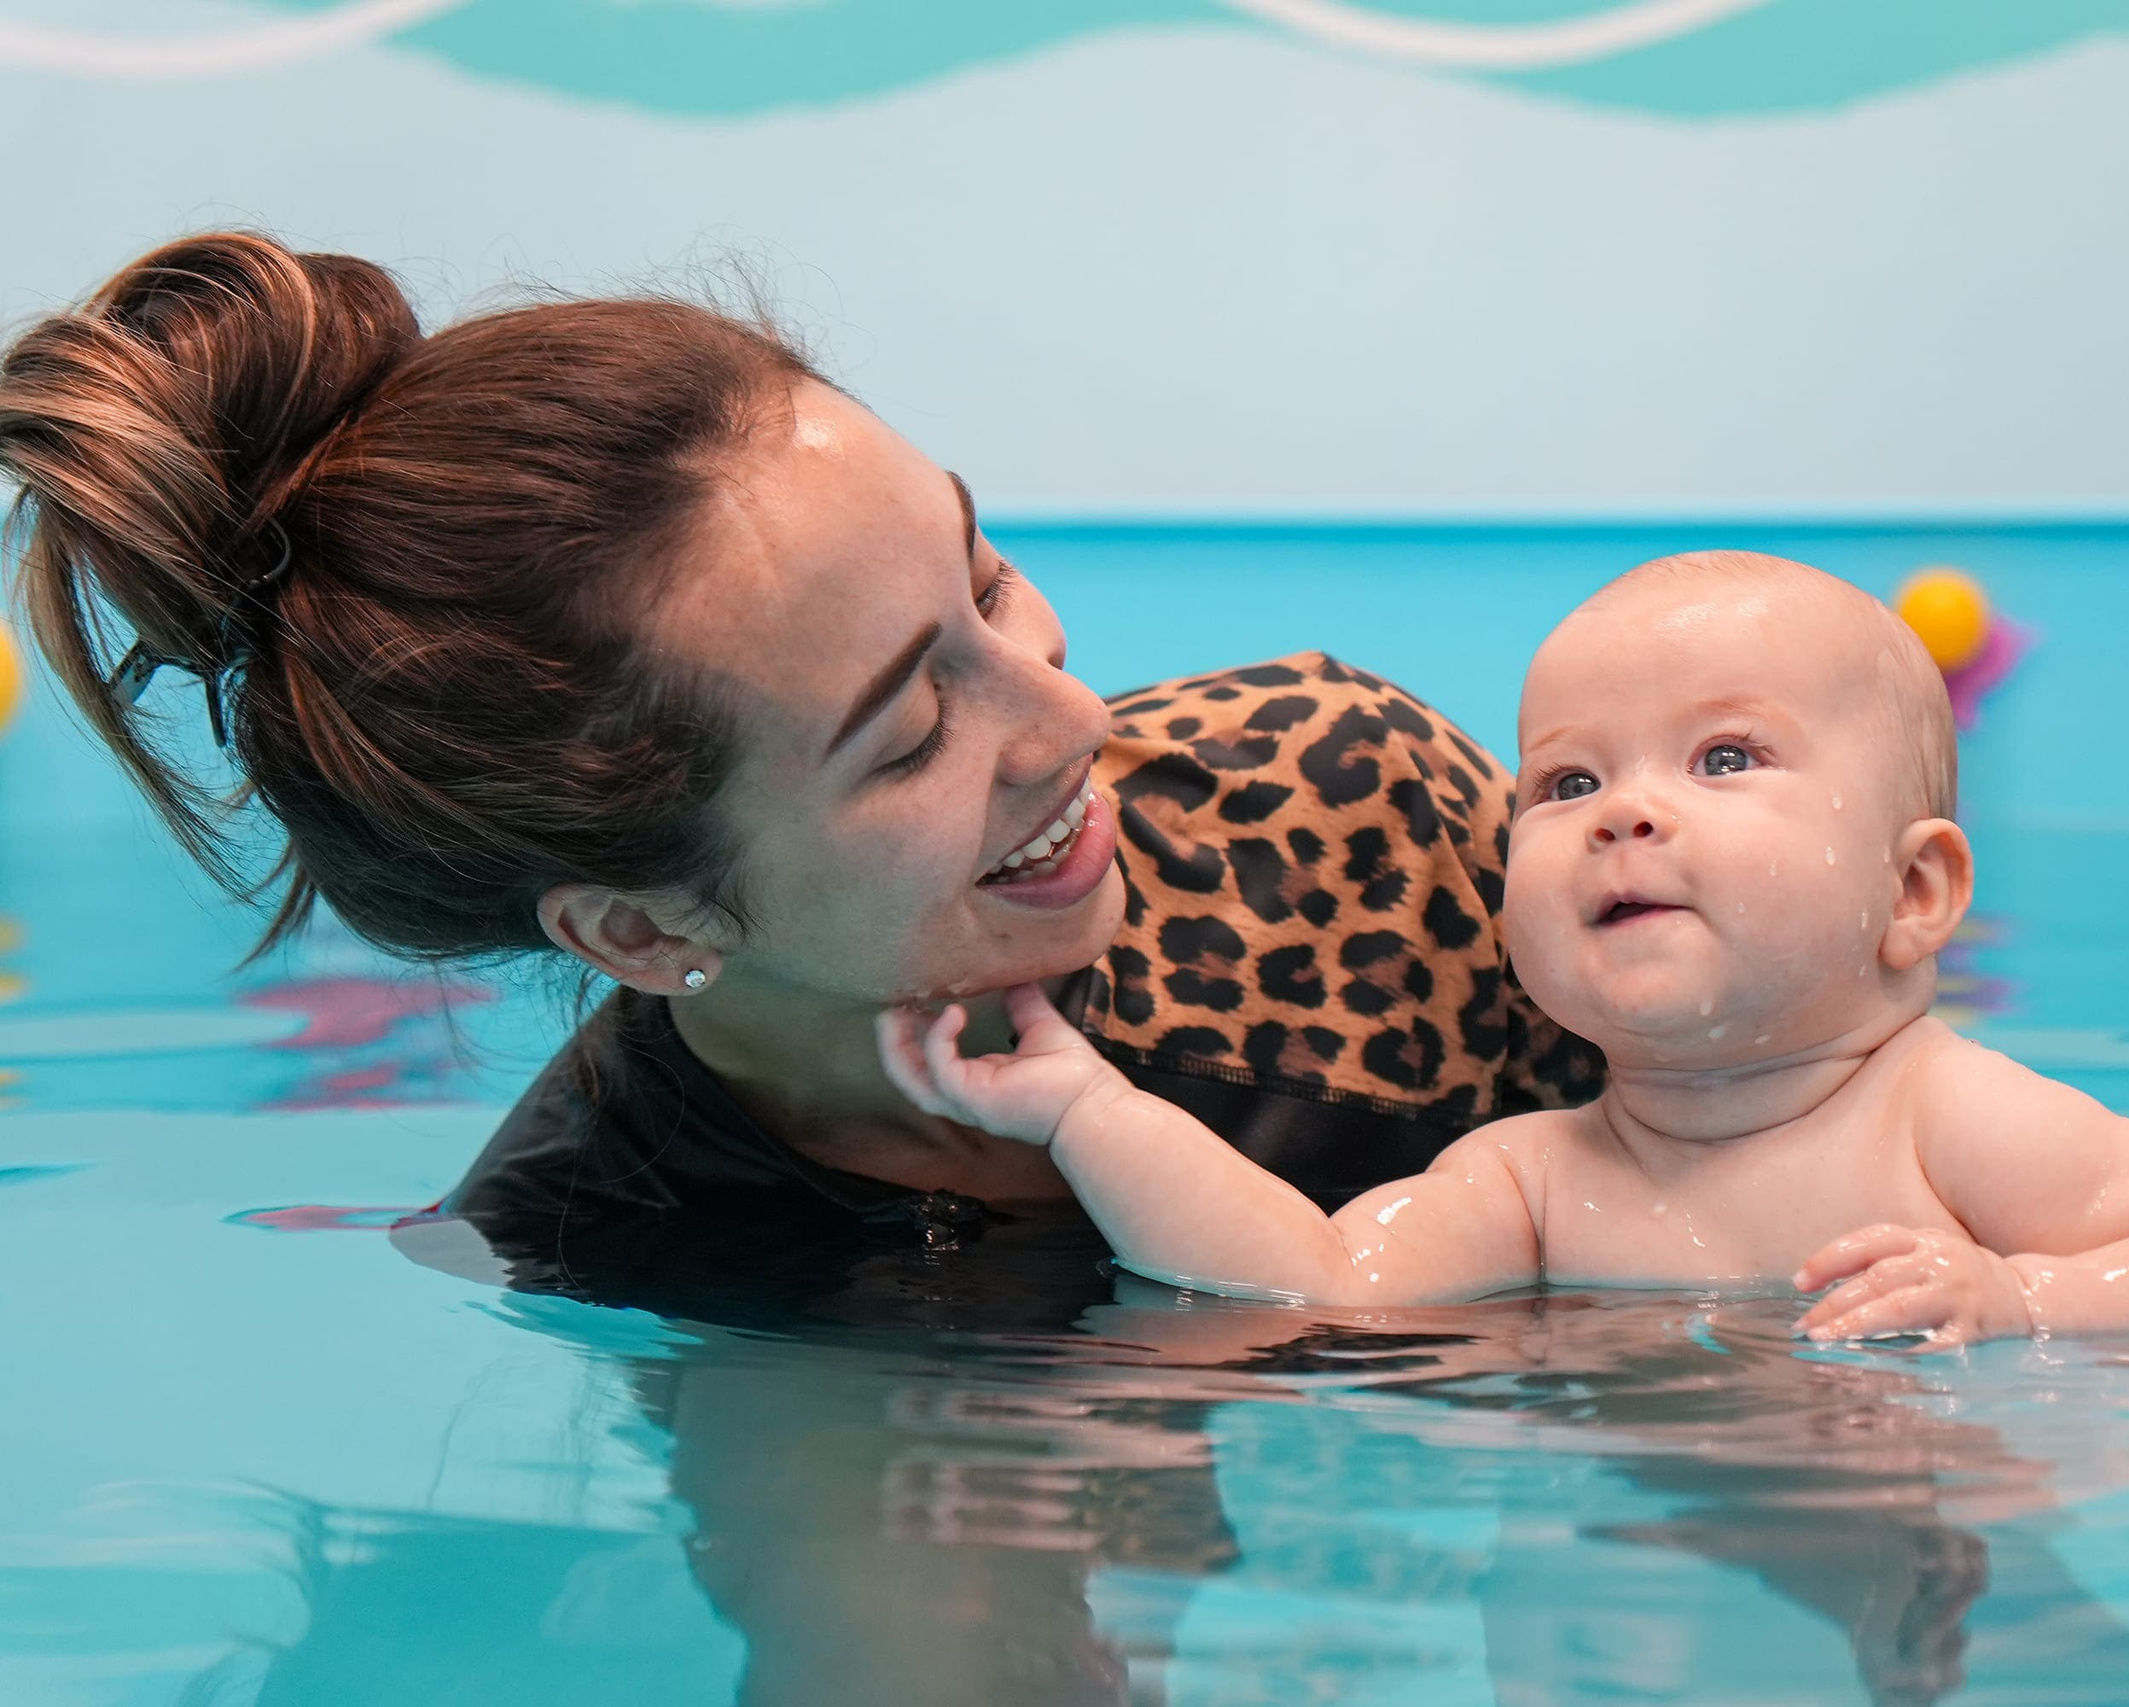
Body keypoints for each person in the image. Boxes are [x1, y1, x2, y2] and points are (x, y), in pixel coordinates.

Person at [0, 231, 1601, 1319]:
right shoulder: (612, 1243)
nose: (1066, 719)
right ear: (639, 931)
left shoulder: (1337, 810)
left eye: (984, 584)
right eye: (909, 737)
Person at [881, 553, 2129, 1343]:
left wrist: (2026, 1295)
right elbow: (1312, 1278)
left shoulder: (1949, 1120)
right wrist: (1087, 1110)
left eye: (1723, 758)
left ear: (1916, 897)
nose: (1625, 815)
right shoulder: (1533, 1177)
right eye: (1567, 785)